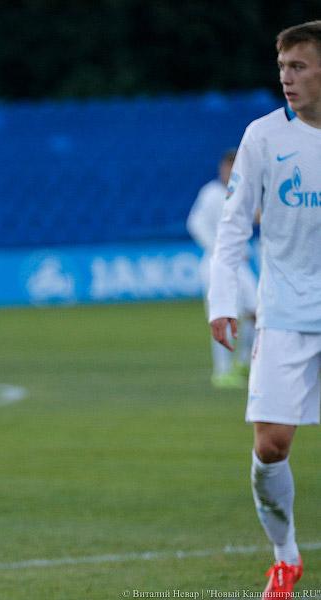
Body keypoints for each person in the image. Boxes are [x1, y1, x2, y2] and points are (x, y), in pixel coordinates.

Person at [209, 20, 321, 599]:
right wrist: (223, 300)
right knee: (271, 445)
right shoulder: (263, 137)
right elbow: (232, 228)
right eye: (282, 68)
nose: (286, 78)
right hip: (283, 313)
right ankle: (285, 556)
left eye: (298, 66)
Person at [187, 148, 257, 389]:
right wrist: (218, 249)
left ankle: (245, 361)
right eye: (228, 166)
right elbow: (195, 224)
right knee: (223, 315)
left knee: (256, 312)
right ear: (222, 168)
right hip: (216, 264)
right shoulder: (211, 193)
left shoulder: (243, 192)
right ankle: (222, 371)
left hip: (240, 264)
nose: (231, 171)